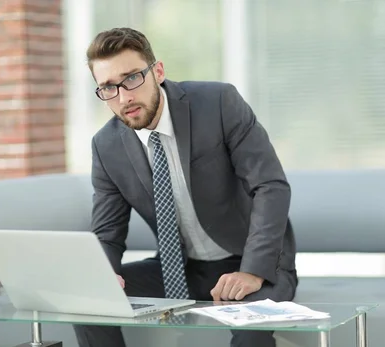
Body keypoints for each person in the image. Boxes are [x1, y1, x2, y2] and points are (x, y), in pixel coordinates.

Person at [73, 27, 298, 347]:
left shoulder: (218, 102)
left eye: (132, 78)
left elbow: (270, 186)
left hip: (249, 259)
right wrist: (104, 276)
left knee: (251, 325)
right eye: (108, 87)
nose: (124, 97)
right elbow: (108, 233)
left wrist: (252, 271)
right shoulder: (106, 146)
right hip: (179, 267)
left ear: (158, 71)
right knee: (88, 301)